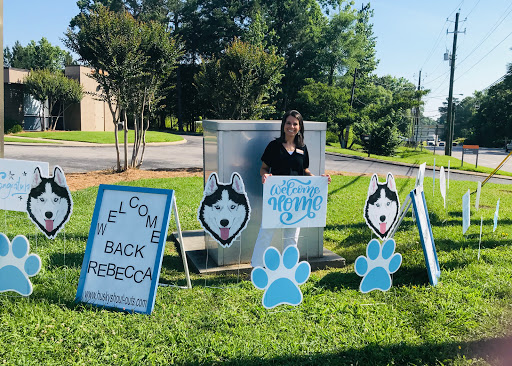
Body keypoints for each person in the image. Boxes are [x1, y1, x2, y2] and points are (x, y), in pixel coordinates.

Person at [250, 110, 331, 267]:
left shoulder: (302, 148)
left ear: (299, 127)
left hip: (296, 200)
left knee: (292, 236)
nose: (291, 126)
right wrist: (265, 176)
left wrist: (318, 180)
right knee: (266, 232)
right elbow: (264, 168)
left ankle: (289, 267)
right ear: (283, 125)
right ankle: (257, 266)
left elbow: (305, 171)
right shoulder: (274, 146)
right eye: (288, 123)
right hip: (276, 198)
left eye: (295, 123)